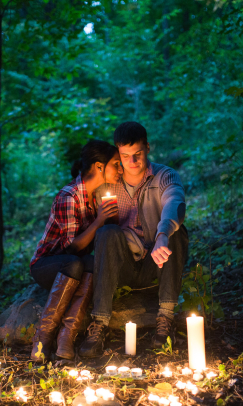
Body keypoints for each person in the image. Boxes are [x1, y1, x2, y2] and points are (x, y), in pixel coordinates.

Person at [79, 122, 188, 359]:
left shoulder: (165, 175)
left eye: (137, 154)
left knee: (177, 231)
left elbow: (175, 203)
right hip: (123, 268)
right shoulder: (108, 184)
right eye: (125, 156)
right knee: (106, 233)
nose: (132, 162)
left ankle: (165, 318)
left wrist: (162, 235)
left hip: (157, 262)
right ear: (118, 154)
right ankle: (99, 324)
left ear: (147, 148)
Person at [29, 140, 123, 361]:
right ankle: (42, 341)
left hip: (75, 264)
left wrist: (111, 218)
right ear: (99, 166)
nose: (120, 170)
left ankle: (66, 339)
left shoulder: (95, 196)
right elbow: (72, 246)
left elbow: (92, 246)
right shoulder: (68, 196)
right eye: (116, 164)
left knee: (90, 263)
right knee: (75, 262)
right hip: (47, 265)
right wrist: (99, 220)